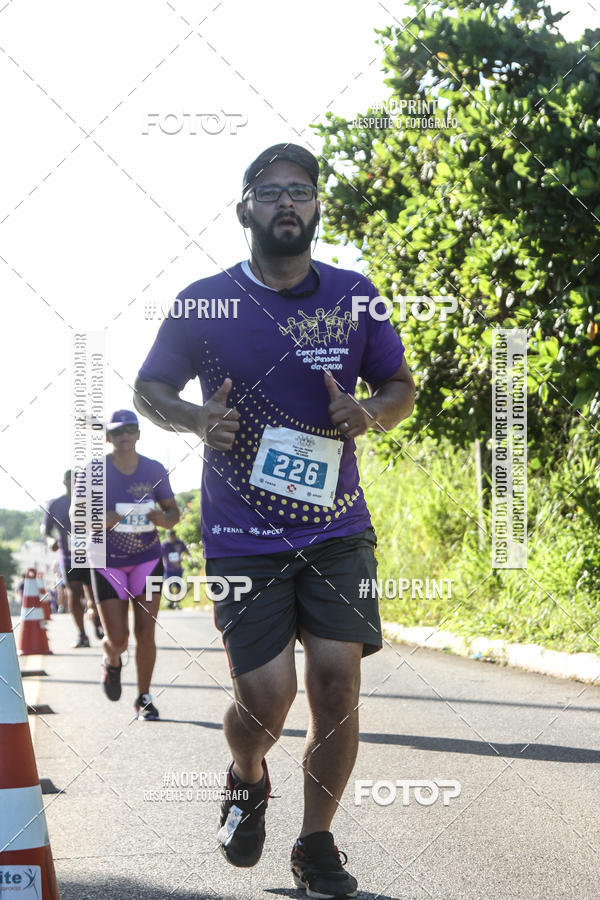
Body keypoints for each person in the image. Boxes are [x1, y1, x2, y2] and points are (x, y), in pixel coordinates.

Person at [134, 143, 415, 897]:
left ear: (318, 208)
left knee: (335, 683)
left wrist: (371, 414)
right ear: (245, 212)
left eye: (301, 191)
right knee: (265, 701)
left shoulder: (356, 296)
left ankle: (316, 843)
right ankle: (247, 774)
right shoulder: (205, 301)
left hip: (336, 529)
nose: (287, 202)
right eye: (271, 192)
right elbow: (149, 386)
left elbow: (398, 385)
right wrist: (194, 417)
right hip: (239, 539)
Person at [77, 409, 180, 720]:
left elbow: (173, 511)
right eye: (118, 431)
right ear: (108, 436)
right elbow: (75, 516)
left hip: (147, 560)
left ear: (138, 434)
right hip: (107, 563)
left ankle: (144, 697)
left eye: (130, 429)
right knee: (118, 639)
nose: (124, 436)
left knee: (146, 633)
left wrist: (165, 519)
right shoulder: (93, 470)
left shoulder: (154, 469)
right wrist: (100, 519)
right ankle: (112, 662)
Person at [42, 470, 101, 647]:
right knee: (74, 593)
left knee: (93, 594)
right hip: (68, 557)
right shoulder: (55, 504)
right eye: (71, 480)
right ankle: (82, 634)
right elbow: (45, 529)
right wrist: (50, 540)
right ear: (64, 482)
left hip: (92, 555)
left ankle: (97, 621)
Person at [161, 529, 190, 608]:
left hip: (178, 568)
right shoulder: (165, 545)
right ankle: (170, 601)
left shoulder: (179, 543)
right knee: (169, 585)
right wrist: (161, 565)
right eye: (170, 537)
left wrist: (189, 558)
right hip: (168, 569)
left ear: (175, 536)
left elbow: (186, 551)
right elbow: (161, 556)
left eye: (173, 536)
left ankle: (176, 603)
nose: (172, 538)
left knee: (178, 585)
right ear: (168, 536)